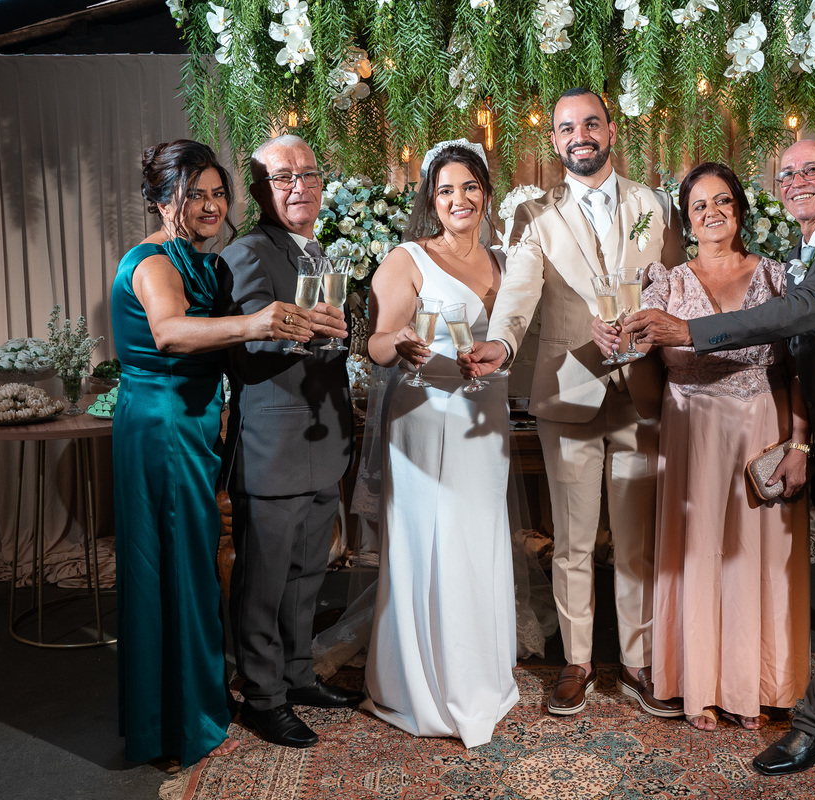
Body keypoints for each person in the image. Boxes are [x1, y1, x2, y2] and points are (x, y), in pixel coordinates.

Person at [623, 140, 815, 775]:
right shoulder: (814, 246)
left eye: (811, 171)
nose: (796, 181)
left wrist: (691, 331)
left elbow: (797, 315)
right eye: (787, 172)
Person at [459, 87, 686, 718]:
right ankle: (579, 660)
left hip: (642, 394)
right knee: (574, 541)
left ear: (610, 131)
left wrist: (651, 322)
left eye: (590, 123)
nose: (579, 135)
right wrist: (501, 347)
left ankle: (637, 662)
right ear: (554, 140)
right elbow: (519, 296)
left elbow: (676, 286)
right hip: (571, 391)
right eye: (566, 128)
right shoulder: (535, 214)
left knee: (638, 541)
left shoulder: (654, 205)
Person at [111, 139, 311, 766]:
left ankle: (196, 700)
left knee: (194, 565)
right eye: (191, 193)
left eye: (216, 193)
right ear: (158, 197)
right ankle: (171, 724)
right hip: (162, 425)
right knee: (173, 568)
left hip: (197, 424)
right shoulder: (152, 263)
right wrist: (260, 323)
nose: (207, 204)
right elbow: (170, 333)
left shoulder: (206, 262)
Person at [594, 162, 811, 733]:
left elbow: (797, 370)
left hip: (762, 428)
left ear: (739, 209)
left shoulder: (777, 278)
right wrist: (616, 344)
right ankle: (701, 684)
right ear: (685, 220)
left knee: (757, 558)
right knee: (699, 555)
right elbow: (636, 364)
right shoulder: (664, 283)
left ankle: (756, 684)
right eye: (698, 206)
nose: (711, 213)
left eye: (722, 201)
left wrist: (799, 445)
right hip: (691, 435)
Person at [360, 141, 519, 748]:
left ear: (485, 193)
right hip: (425, 415)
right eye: (446, 189)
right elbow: (373, 345)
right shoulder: (408, 259)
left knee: (478, 540)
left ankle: (481, 675)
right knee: (434, 542)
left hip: (485, 415)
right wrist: (398, 340)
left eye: (470, 187)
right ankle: (422, 687)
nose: (459, 199)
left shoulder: (504, 261)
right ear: (432, 196)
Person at [216, 134, 362, 750]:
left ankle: (299, 676)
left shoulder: (322, 252)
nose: (299, 185)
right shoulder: (248, 252)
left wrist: (351, 330)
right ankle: (263, 695)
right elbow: (247, 340)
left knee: (307, 573)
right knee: (264, 579)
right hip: (273, 444)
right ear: (260, 191)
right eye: (283, 177)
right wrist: (299, 332)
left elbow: (336, 340)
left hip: (322, 440)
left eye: (308, 172)